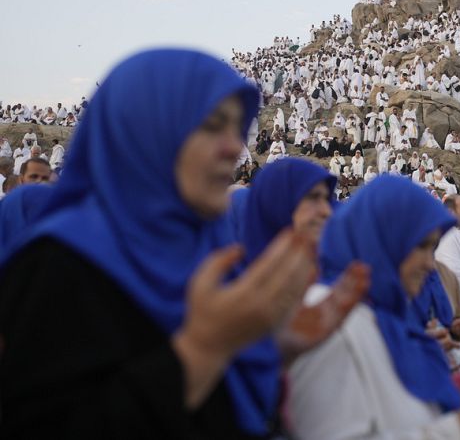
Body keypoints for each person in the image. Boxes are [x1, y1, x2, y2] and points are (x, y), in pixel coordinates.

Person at [0, 49, 366, 439]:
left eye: (237, 129)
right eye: (211, 125)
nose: (233, 146)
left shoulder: (207, 246)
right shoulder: (59, 263)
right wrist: (202, 349)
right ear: (146, 131)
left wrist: (273, 347)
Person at [286, 176, 460, 440]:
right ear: (382, 238)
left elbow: (393, 410)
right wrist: (455, 432)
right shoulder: (327, 318)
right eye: (421, 247)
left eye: (433, 249)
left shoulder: (386, 313)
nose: (430, 264)